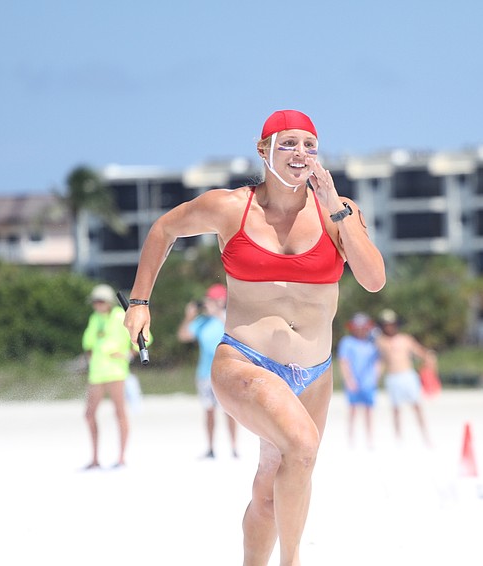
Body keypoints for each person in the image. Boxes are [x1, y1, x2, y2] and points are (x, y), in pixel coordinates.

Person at [122, 109, 385, 566]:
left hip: (315, 373)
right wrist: (139, 303)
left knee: (271, 486)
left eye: (309, 145)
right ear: (264, 151)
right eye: (288, 144)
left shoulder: (338, 211)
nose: (300, 154)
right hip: (245, 362)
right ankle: (293, 560)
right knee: (302, 446)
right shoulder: (231, 206)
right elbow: (164, 228)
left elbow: (374, 279)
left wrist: (338, 209)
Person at [177, 283, 239, 459]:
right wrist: (189, 317)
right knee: (209, 411)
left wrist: (217, 313)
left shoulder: (228, 318)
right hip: (205, 373)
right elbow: (183, 336)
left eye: (213, 300)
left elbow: (235, 333)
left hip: (227, 372)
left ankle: (234, 447)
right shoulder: (202, 322)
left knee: (230, 411)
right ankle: (211, 448)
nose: (209, 303)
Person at [82, 283, 136, 470]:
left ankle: (121, 457)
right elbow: (88, 344)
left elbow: (142, 338)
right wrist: (90, 358)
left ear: (109, 302)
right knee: (89, 415)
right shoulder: (94, 318)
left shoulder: (120, 316)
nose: (97, 305)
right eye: (95, 302)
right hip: (96, 372)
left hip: (116, 371)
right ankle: (95, 458)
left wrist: (129, 355)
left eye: (101, 301)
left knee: (119, 413)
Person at [375, 308, 434, 447]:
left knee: (417, 406)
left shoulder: (405, 339)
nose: (389, 326)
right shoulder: (380, 341)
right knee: (396, 409)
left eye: (391, 323)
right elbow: (380, 361)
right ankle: (398, 439)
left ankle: (426, 436)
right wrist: (375, 377)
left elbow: (421, 353)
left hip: (407, 375)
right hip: (392, 377)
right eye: (386, 324)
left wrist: (429, 360)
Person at [336, 312, 381, 450]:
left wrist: (376, 377)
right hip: (353, 382)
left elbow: (379, 361)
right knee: (353, 410)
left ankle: (370, 439)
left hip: (368, 382)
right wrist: (349, 380)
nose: (360, 329)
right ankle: (351, 438)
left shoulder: (373, 343)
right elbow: (344, 362)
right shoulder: (347, 342)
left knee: (369, 411)